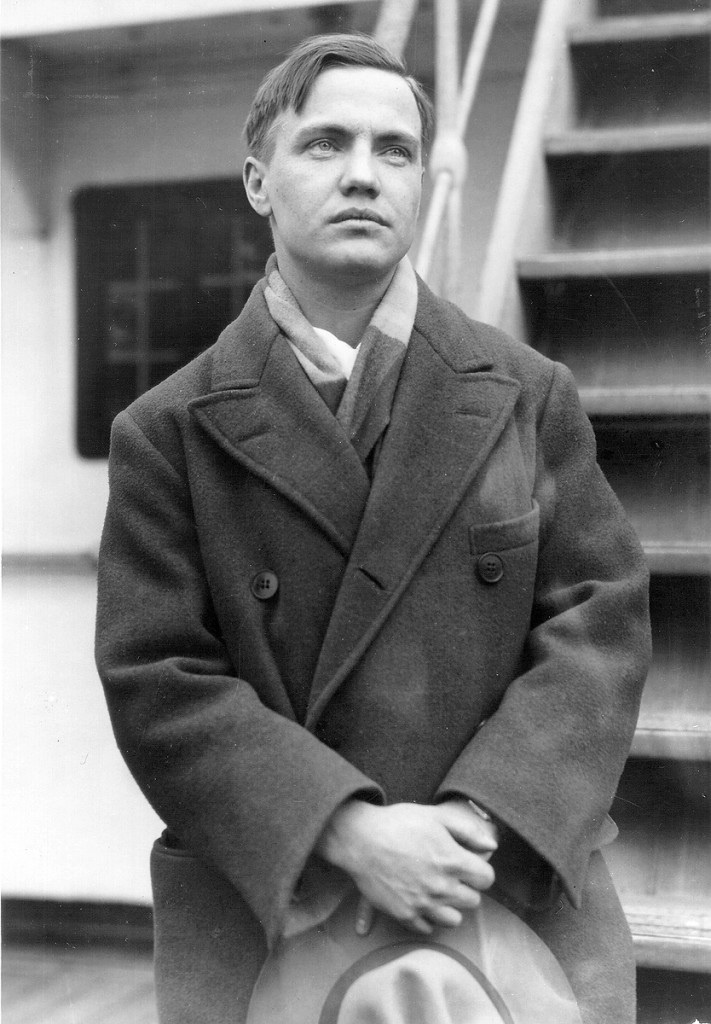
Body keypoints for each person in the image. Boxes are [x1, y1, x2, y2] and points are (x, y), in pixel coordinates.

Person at [95, 33, 651, 1024]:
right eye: (326, 144)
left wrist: (473, 823)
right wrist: (347, 831)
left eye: (395, 150)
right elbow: (157, 680)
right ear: (259, 182)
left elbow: (599, 628)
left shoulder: (527, 394)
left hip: (501, 886)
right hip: (275, 902)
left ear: (420, 180)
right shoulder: (167, 431)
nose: (363, 174)